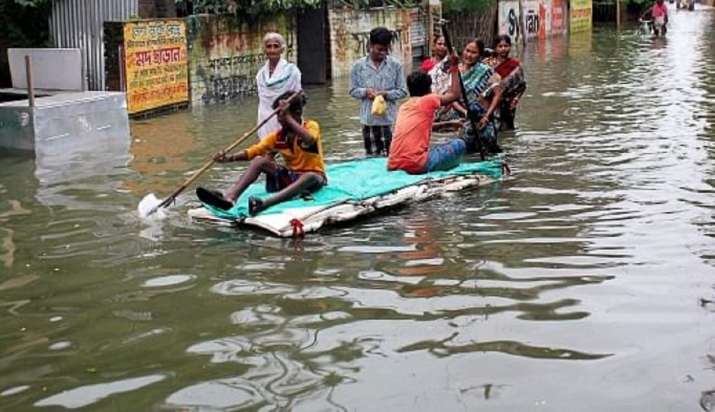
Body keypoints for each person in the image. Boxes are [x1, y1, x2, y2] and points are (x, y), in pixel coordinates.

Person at [196, 91, 325, 216]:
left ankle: (264, 204)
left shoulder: (311, 126)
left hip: (314, 179)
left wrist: (287, 117)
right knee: (259, 161)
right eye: (278, 115)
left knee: (310, 176)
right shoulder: (278, 137)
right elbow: (253, 151)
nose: (279, 119)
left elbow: (310, 139)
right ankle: (230, 198)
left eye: (281, 115)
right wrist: (228, 158)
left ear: (297, 113)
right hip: (291, 178)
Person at [387, 51, 466, 174]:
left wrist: (449, 124)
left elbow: (419, 127)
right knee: (459, 144)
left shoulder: (404, 107)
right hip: (416, 164)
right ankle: (451, 171)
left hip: (393, 163)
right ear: (429, 89)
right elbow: (455, 95)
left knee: (434, 148)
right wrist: (454, 67)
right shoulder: (428, 100)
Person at [349, 27, 408, 156]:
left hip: (390, 121)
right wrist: (366, 92)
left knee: (393, 156)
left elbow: (403, 91)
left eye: (386, 50)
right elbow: (352, 90)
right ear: (370, 45)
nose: (383, 53)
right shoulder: (358, 66)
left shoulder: (395, 65)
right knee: (372, 158)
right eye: (379, 49)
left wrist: (386, 94)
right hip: (369, 121)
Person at [455, 38, 503, 154]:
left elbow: (498, 94)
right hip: (464, 121)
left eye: (473, 52)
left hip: (484, 120)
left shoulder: (486, 71)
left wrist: (487, 116)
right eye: (467, 51)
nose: (469, 55)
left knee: (488, 152)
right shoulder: (455, 71)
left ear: (480, 55)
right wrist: (465, 112)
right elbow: (452, 98)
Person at [256, 32, 302, 140]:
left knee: (287, 148)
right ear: (264, 50)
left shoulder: (292, 71)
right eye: (269, 46)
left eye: (276, 46)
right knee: (266, 149)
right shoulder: (260, 74)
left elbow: (298, 98)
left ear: (282, 49)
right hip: (265, 119)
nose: (272, 50)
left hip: (286, 118)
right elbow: (263, 102)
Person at [485, 35, 526, 130]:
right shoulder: (488, 63)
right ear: (495, 48)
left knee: (506, 128)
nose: (503, 49)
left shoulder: (515, 65)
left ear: (510, 47)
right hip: (490, 101)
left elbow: (522, 86)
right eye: (500, 46)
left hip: (508, 103)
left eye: (506, 46)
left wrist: (515, 100)